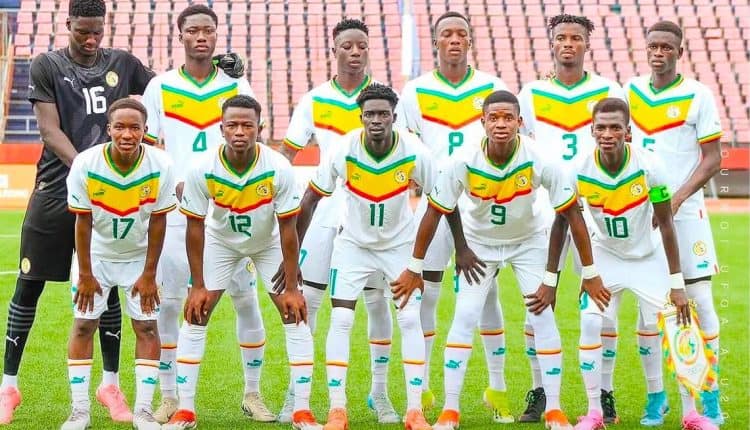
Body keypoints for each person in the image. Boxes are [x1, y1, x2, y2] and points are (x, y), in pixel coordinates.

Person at [392, 90, 597, 430]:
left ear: (520, 122)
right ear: (482, 122)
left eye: (508, 118)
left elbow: (572, 215)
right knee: (464, 315)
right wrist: (420, 265)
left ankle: (554, 409)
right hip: (480, 245)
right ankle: (450, 410)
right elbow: (435, 211)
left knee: (542, 317)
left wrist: (574, 274)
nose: (501, 124)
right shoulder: (463, 159)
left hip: (528, 242)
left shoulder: (540, 158)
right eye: (494, 118)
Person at [0, 0, 155, 423]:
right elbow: (49, 130)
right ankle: (8, 386)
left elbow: (166, 93)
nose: (90, 39)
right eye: (82, 31)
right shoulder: (47, 65)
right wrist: (88, 170)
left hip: (112, 193)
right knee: (29, 284)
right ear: (67, 23)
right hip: (55, 189)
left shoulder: (123, 63)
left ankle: (110, 385)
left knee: (108, 284)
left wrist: (224, 75)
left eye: (97, 32)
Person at [140, 4, 273, 424]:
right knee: (171, 304)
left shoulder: (235, 83)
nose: (201, 36)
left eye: (208, 30)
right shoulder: (160, 87)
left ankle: (253, 394)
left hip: (230, 210)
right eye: (193, 30)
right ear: (180, 35)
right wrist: (176, 179)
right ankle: (169, 397)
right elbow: (147, 147)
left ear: (217, 36)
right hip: (179, 211)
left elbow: (253, 134)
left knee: (245, 300)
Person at [161, 95, 321, 430]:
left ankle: (302, 412)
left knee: (294, 312)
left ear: (260, 128)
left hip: (267, 243)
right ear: (221, 129)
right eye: (232, 125)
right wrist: (197, 284)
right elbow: (194, 227)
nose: (239, 131)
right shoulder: (202, 168)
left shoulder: (278, 167)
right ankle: (185, 410)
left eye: (247, 125)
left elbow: (288, 228)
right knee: (196, 312)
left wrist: (292, 283)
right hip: (221, 243)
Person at [563, 98, 716, 430]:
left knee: (679, 324)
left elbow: (667, 225)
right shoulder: (577, 169)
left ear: (628, 132)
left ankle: (691, 414)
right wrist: (588, 273)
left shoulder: (650, 166)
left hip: (648, 256)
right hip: (606, 257)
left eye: (615, 127)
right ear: (591, 131)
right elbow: (568, 221)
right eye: (601, 127)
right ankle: (594, 413)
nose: (607, 134)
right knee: (590, 322)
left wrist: (677, 284)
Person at [277, 18, 397, 424]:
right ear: (335, 49)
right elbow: (286, 155)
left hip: (374, 218)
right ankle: (297, 393)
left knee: (377, 302)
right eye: (347, 45)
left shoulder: (384, 99)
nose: (355, 51)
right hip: (324, 213)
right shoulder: (314, 100)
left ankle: (379, 393)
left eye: (362, 45)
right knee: (308, 302)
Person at [296, 84, 434, 430]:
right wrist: (292, 257)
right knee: (341, 319)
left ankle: (415, 411)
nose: (376, 120)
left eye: (382, 114)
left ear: (394, 117)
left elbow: (442, 201)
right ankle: (337, 410)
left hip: (399, 247)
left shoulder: (415, 152)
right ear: (360, 117)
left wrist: (421, 261)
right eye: (369, 114)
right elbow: (310, 199)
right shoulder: (344, 150)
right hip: (353, 247)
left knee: (409, 319)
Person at [395, 11, 509, 415]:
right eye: (447, 34)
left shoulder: (492, 86)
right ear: (436, 42)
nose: (455, 39)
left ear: (470, 41)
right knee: (426, 291)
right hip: (434, 206)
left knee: (487, 295)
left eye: (462, 33)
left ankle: (497, 388)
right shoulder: (415, 91)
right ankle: (423, 386)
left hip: (480, 208)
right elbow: (405, 146)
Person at [516, 14, 625, 423]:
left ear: (586, 44)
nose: (568, 44)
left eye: (575, 38)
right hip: (543, 210)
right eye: (560, 37)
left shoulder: (609, 90)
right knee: (536, 302)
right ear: (551, 43)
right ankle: (540, 392)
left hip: (593, 211)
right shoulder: (531, 93)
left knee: (601, 301)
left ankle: (605, 394)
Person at [625, 20, 723, 426]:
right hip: (642, 217)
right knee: (648, 311)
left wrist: (678, 197)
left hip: (686, 215)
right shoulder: (629, 91)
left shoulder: (699, 95)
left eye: (667, 47)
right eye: (653, 46)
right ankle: (656, 398)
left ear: (679, 52)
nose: (659, 53)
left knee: (699, 301)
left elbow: (713, 159)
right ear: (645, 49)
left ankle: (710, 396)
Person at [62, 98, 176, 430]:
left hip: (139, 258)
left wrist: (149, 274)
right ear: (109, 129)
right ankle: (80, 411)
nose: (127, 134)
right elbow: (82, 221)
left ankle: (143, 411)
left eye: (135, 128)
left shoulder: (161, 165)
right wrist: (85, 274)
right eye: (120, 127)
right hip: (95, 256)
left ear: (145, 131)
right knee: (83, 325)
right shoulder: (86, 164)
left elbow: (159, 221)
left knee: (147, 327)